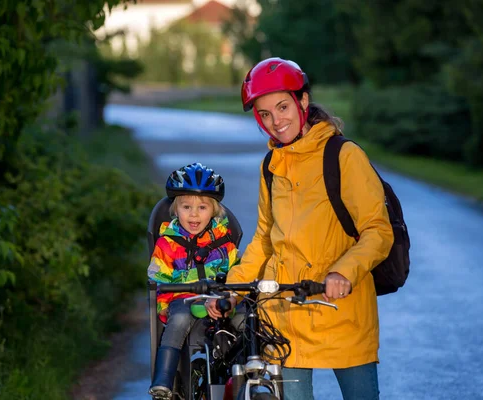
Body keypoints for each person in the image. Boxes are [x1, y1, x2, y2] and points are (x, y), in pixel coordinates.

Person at [219, 57, 394, 400]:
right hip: (285, 320)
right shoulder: (271, 164)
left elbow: (378, 230)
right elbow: (265, 240)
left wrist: (343, 272)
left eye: (282, 107)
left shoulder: (343, 156)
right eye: (265, 114)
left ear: (302, 100)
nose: (275, 122)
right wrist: (233, 290)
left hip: (341, 311)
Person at [147, 162, 239, 399]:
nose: (194, 214)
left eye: (202, 207)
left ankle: (251, 367)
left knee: (244, 316)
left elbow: (237, 275)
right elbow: (158, 279)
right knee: (178, 319)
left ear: (215, 211)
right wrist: (166, 303)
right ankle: (163, 380)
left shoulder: (224, 243)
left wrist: (232, 295)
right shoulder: (167, 244)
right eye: (186, 207)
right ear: (176, 210)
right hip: (182, 300)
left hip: (218, 299)